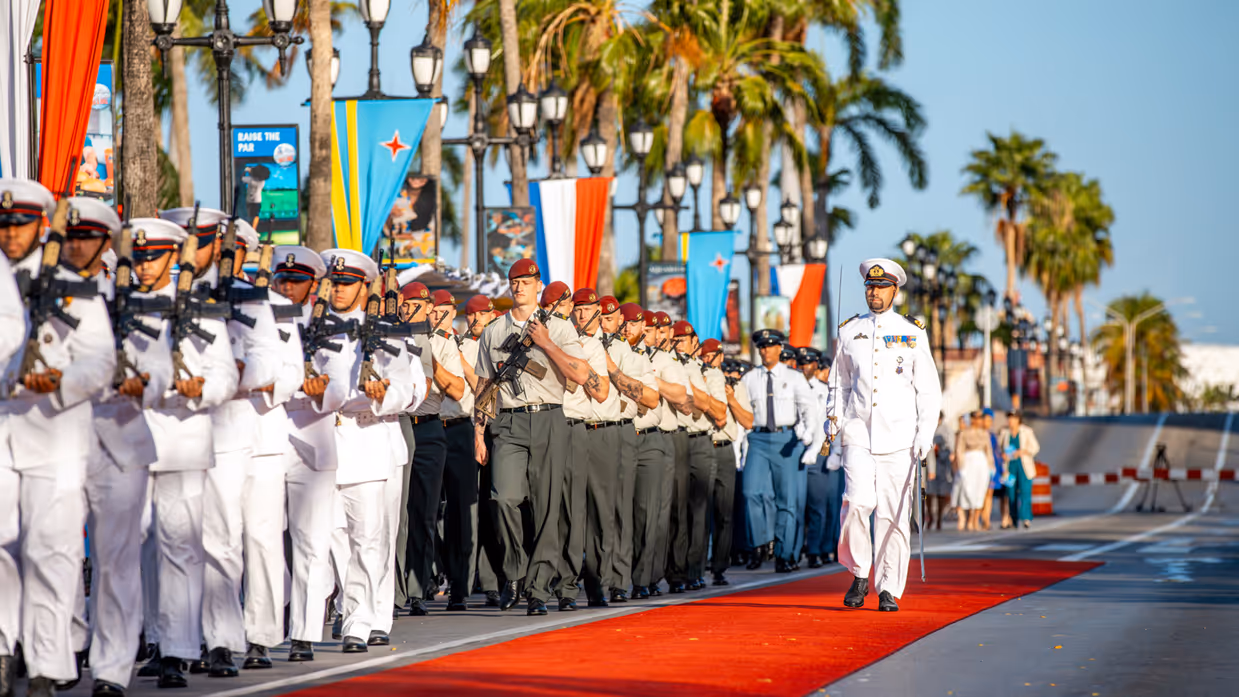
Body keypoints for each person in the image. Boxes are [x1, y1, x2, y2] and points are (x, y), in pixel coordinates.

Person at [64, 200, 171, 697]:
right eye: (70, 237)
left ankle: (110, 668)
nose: (77, 246)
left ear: (107, 245)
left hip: (121, 442)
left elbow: (161, 368)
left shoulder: (133, 300)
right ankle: (60, 648)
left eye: (88, 238)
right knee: (54, 551)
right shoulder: (46, 298)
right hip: (61, 439)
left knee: (116, 561)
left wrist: (142, 385)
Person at [133, 217, 239, 687]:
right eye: (137, 256)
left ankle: (180, 648)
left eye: (152, 256)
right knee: (143, 547)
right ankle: (157, 639)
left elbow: (224, 375)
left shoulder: (202, 308)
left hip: (185, 438)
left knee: (185, 545)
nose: (143, 265)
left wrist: (196, 390)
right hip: (134, 438)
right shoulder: (124, 305)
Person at [473, 259, 594, 616]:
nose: (520, 286)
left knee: (546, 507)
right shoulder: (494, 331)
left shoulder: (558, 328)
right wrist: (479, 433)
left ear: (538, 285)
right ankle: (515, 572)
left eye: (526, 281)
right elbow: (484, 385)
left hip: (548, 419)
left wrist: (545, 343)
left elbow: (582, 374)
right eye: (514, 281)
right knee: (502, 498)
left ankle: (539, 590)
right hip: (507, 423)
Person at [830, 258, 942, 612]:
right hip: (858, 432)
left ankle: (889, 588)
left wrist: (925, 433)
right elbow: (840, 384)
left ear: (895, 290)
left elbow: (928, 390)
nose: (873, 292)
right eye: (869, 287)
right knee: (856, 504)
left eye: (880, 287)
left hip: (900, 438)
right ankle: (860, 571)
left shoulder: (912, 332)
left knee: (893, 515)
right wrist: (833, 420)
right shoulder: (849, 331)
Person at [319, 249, 415, 653]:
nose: (337, 290)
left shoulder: (387, 334)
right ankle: (353, 608)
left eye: (346, 283)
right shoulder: (315, 328)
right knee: (333, 540)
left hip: (370, 444)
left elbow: (409, 388)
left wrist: (379, 397)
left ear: (364, 286)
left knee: (373, 539)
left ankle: (366, 619)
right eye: (334, 282)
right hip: (323, 449)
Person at [271, 246, 353, 663]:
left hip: (312, 441)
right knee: (260, 540)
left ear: (312, 285)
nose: (288, 287)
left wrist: (319, 391)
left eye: (297, 280)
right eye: (282, 280)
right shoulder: (260, 321)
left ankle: (303, 632)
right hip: (266, 438)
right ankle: (261, 631)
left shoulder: (329, 326)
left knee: (310, 543)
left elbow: (339, 383)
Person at [740, 329, 817, 573]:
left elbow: (809, 410)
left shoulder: (794, 377)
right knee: (750, 492)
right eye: (762, 347)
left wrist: (808, 436)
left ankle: (785, 554)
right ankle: (762, 543)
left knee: (788, 501)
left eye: (770, 346)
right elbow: (742, 412)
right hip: (759, 439)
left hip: (787, 439)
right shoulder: (750, 378)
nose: (765, 351)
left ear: (779, 348)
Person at [602, 299, 660, 601]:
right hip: (589, 431)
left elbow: (651, 399)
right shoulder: (585, 344)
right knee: (596, 511)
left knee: (629, 511)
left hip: (630, 433)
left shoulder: (633, 356)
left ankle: (624, 580)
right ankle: (598, 577)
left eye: (626, 321)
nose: (622, 325)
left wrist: (614, 372)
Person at [568, 288, 619, 608]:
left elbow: (600, 392)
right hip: (572, 429)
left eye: (588, 309)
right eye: (578, 309)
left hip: (603, 432)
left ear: (598, 313)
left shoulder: (602, 347)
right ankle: (570, 583)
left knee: (601, 512)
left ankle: (599, 581)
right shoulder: (567, 341)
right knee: (571, 511)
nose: (582, 314)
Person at [392, 277, 434, 617]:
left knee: (407, 514)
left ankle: (401, 592)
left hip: (408, 422)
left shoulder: (416, 334)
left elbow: (426, 384)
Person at [621, 303, 668, 600]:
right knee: (620, 511)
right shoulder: (609, 352)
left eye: (635, 325)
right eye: (623, 323)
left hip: (649, 438)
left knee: (647, 512)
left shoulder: (647, 358)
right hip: (622, 434)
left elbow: (653, 400)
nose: (628, 329)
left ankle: (643, 577)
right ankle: (618, 577)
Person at [460, 295, 501, 607]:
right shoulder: (460, 342)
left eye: (480, 314)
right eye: (470, 314)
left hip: (492, 428)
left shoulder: (495, 342)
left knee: (492, 506)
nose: (474, 319)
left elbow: (483, 386)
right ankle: (467, 577)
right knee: (466, 510)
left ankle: (491, 579)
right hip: (463, 427)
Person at [701, 339, 750, 586]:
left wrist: (731, 400)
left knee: (724, 512)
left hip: (723, 448)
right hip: (702, 444)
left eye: (712, 356)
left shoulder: (733, 384)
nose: (708, 360)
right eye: (705, 356)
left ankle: (720, 566)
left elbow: (749, 421)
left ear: (720, 357)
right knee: (699, 510)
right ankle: (697, 567)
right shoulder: (700, 378)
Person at [998, 411, 1041, 529]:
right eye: (1009, 418)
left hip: (1023, 466)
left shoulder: (1026, 431)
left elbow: (1035, 447)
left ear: (1018, 420)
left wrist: (1022, 452)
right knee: (1011, 493)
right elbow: (999, 448)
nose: (1011, 421)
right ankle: (1013, 519)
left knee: (1025, 492)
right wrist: (1003, 455)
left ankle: (1026, 518)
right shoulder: (1004, 433)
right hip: (1010, 466)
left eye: (1013, 418)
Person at [956, 411, 995, 531]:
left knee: (980, 489)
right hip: (969, 461)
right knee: (968, 489)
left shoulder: (984, 434)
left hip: (981, 461)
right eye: (975, 418)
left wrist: (991, 466)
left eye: (979, 418)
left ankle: (975, 518)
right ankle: (969, 517)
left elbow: (988, 450)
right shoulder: (964, 433)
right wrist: (960, 465)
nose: (977, 421)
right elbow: (960, 450)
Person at [927, 413, 955, 531]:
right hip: (929, 464)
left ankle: (939, 519)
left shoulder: (947, 429)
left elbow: (951, 447)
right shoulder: (927, 427)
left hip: (942, 463)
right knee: (928, 492)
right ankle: (930, 517)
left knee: (941, 493)